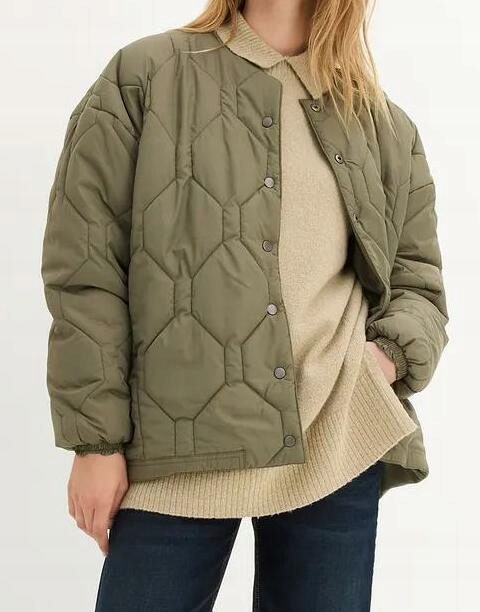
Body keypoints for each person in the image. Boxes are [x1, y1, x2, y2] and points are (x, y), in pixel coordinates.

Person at [40, 1, 449, 610]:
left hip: (335, 446)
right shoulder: (145, 76)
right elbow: (86, 269)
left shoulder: (379, 123)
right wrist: (96, 443)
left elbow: (418, 282)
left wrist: (379, 364)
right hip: (176, 448)